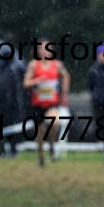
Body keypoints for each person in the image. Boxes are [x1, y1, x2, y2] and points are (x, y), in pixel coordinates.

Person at [23, 38, 70, 167]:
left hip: (52, 103)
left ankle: (52, 145)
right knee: (39, 134)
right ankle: (41, 157)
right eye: (42, 49)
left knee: (54, 123)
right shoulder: (33, 65)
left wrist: (65, 93)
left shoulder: (57, 65)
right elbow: (26, 83)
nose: (45, 52)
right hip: (37, 104)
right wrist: (36, 81)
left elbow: (66, 76)